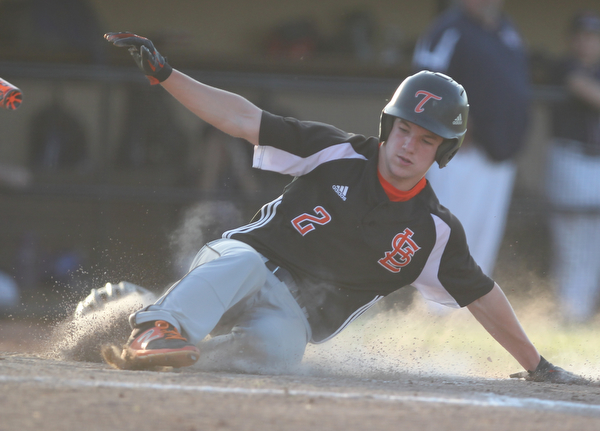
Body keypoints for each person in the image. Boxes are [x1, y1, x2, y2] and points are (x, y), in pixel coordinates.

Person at [100, 31, 584, 384]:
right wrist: (165, 76)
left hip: (292, 315)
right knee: (242, 260)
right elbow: (242, 118)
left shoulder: (432, 232)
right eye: (404, 129)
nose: (409, 145)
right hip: (251, 264)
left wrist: (537, 366)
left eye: (427, 138)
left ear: (444, 152)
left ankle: (173, 354)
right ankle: (156, 327)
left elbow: (483, 296)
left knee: (280, 351)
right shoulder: (336, 151)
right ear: (387, 127)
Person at [412, 0, 532, 276]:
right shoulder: (448, 28)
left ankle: (467, 308)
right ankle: (434, 310)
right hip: (461, 153)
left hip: (499, 153)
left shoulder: (507, 30)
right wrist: (455, 130)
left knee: (483, 236)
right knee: (450, 229)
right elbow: (426, 82)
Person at [545, 11, 600, 323]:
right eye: (580, 35)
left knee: (594, 241)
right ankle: (569, 309)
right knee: (572, 240)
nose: (585, 42)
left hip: (596, 162)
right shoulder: (564, 65)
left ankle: (582, 312)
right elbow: (584, 90)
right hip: (571, 158)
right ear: (571, 39)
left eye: (592, 36)